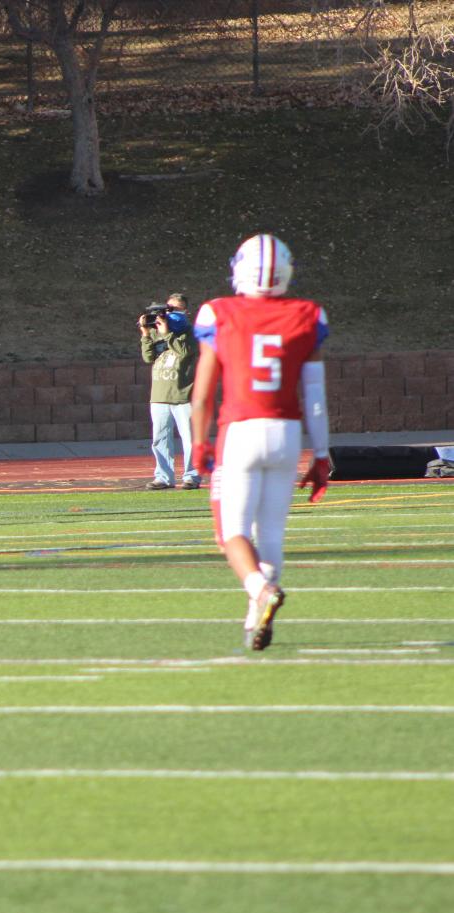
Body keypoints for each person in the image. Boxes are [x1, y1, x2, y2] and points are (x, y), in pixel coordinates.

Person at [190, 233, 332, 652]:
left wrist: (199, 443)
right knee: (270, 533)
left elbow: (201, 395)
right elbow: (317, 397)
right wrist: (322, 454)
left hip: (241, 431)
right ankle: (255, 617)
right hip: (287, 433)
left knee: (232, 533)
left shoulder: (220, 312)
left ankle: (260, 591)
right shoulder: (307, 314)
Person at [139, 293, 200, 490]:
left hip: (183, 394)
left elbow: (183, 351)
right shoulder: (159, 332)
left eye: (176, 309)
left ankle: (191, 476)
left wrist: (167, 333)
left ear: (185, 311)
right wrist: (146, 334)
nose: (171, 313)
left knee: (190, 439)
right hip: (159, 395)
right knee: (160, 439)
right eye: (169, 309)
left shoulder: (191, 333)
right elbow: (148, 357)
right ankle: (163, 477)